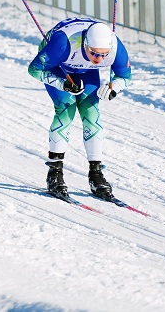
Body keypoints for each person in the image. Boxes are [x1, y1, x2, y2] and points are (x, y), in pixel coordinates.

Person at [28, 17, 132, 200]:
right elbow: (34, 69)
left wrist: (113, 88)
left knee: (91, 114)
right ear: (85, 44)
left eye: (104, 55)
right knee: (65, 110)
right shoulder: (63, 43)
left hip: (86, 70)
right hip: (57, 64)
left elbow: (125, 76)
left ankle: (96, 174)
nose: (99, 59)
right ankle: (55, 173)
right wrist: (62, 84)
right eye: (94, 53)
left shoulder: (116, 48)